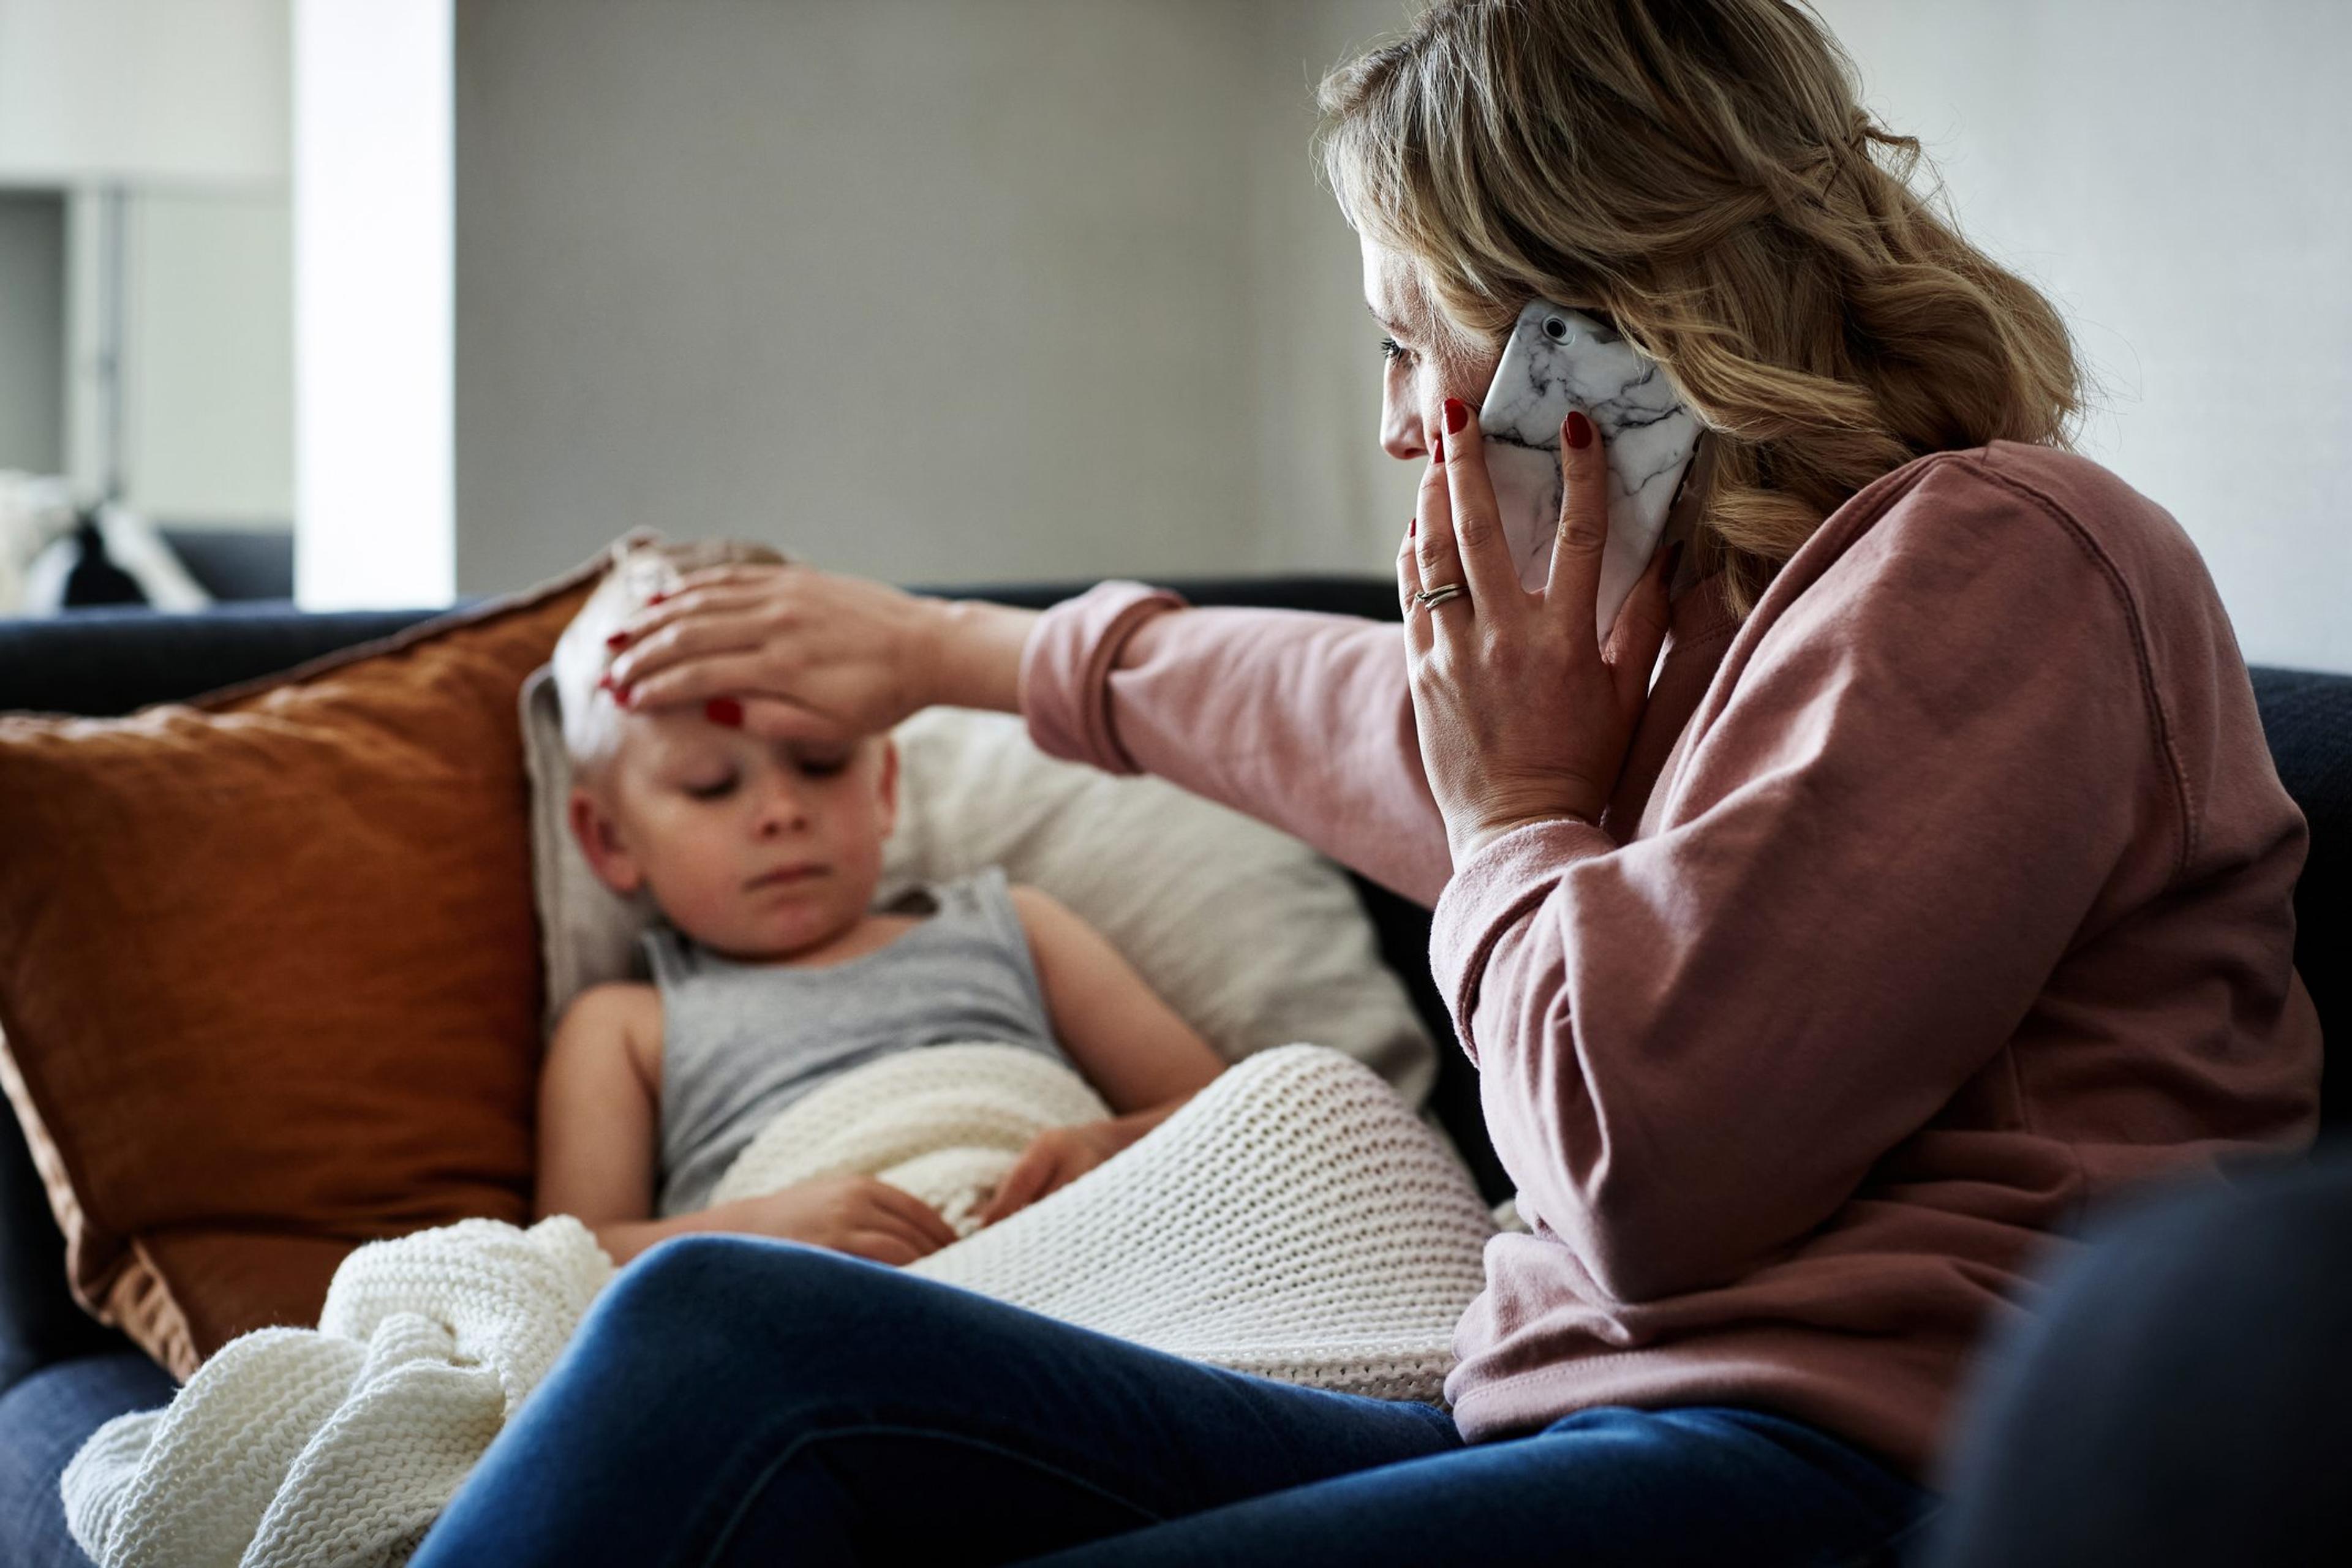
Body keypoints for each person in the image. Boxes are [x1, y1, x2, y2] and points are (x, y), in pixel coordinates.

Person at [412, 1, 2321, 1562]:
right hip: (1551, 1429)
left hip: (1849, 1466)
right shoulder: (1675, 640)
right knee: (716, 1336)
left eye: (1412, 332)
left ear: (1609, 310)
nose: (1395, 417)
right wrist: (951, 651)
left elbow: (1646, 1174)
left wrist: (1514, 815)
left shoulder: (2001, 561)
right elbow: (1335, 717)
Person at [537, 546, 1226, 1265]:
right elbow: (563, 1264)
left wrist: (1107, 1151)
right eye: (712, 785)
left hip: (1080, 1268)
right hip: (820, 1314)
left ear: (885, 785)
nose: (780, 811)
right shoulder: (623, 1026)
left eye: (821, 764)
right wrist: (754, 1233)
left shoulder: (1016, 927)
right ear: (609, 839)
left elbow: (1238, 1112)